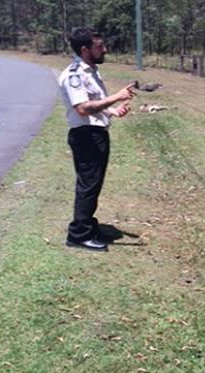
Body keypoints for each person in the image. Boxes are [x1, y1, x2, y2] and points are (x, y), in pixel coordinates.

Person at [59, 27, 136, 251]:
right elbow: (82, 108)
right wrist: (116, 97)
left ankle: (88, 226)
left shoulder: (91, 70)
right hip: (86, 136)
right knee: (88, 185)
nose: (105, 49)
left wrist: (111, 111)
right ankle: (78, 235)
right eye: (99, 47)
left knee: (93, 185)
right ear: (85, 50)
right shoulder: (74, 75)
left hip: (96, 134)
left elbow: (94, 102)